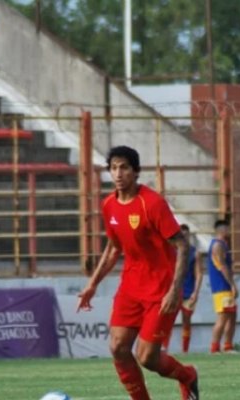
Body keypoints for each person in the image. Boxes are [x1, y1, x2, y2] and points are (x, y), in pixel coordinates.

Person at [77, 146, 199, 400]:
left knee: (147, 357)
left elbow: (182, 245)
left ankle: (187, 376)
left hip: (160, 288)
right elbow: (113, 249)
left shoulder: (152, 203)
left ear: (135, 172)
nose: (118, 173)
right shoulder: (109, 205)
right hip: (131, 286)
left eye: (124, 167)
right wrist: (92, 284)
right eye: (113, 168)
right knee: (118, 347)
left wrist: (175, 290)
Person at [163, 224, 203, 353]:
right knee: (166, 322)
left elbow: (199, 274)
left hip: (187, 293)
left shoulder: (194, 253)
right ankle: (164, 348)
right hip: (173, 292)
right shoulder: (171, 251)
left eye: (186, 235)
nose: (184, 237)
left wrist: (196, 292)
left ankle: (185, 350)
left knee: (186, 321)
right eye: (182, 235)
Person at [207, 219, 238, 353]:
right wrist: (232, 284)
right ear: (223, 230)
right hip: (221, 287)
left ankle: (228, 346)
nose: (230, 231)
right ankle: (214, 347)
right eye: (228, 229)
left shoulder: (223, 245)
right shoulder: (217, 246)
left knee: (231, 316)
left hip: (224, 287)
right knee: (223, 317)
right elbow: (222, 267)